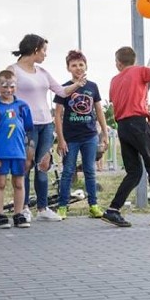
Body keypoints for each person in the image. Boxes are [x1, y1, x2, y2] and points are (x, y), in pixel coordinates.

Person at [3, 34, 87, 223]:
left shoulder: (42, 72)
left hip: (45, 124)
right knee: (24, 166)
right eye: (44, 51)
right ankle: (23, 207)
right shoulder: (13, 70)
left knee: (43, 166)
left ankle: (42, 208)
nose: (45, 55)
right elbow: (0, 96)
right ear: (35, 50)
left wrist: (77, 85)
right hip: (25, 125)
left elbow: (61, 91)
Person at [102, 46, 150, 227]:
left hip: (123, 127)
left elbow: (129, 107)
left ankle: (113, 210)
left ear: (119, 63)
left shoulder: (114, 81)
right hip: (138, 125)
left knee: (134, 171)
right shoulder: (140, 71)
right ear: (134, 60)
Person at [53, 50, 109, 220]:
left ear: (86, 66)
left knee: (90, 171)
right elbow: (57, 115)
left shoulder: (92, 87)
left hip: (90, 136)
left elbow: (99, 110)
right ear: (68, 68)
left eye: (80, 64)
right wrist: (61, 139)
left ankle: (93, 205)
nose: (78, 68)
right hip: (70, 138)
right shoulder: (63, 88)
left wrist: (104, 133)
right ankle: (62, 207)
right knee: (68, 172)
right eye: (74, 65)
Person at [0, 70, 33, 229]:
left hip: (18, 152)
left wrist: (29, 150)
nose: (8, 90)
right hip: (0, 152)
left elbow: (28, 129)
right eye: (4, 86)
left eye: (11, 86)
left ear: (16, 86)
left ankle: (18, 214)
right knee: (0, 183)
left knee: (19, 183)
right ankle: (0, 215)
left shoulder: (22, 106)